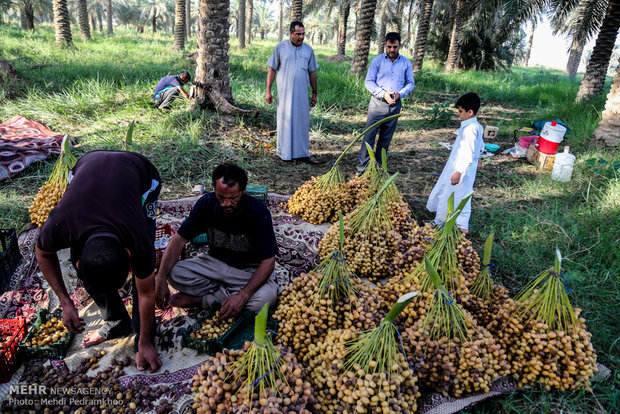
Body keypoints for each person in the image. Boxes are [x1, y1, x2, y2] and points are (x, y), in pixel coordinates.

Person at [35, 150, 162, 372]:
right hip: (87, 165)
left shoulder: (138, 239)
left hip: (141, 172)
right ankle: (116, 321)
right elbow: (43, 253)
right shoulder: (60, 224)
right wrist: (65, 302)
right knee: (89, 261)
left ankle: (143, 333)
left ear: (128, 253)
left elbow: (145, 292)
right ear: (77, 266)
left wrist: (144, 343)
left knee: (146, 262)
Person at [155, 163, 279, 318]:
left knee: (264, 300)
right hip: (214, 265)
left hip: (246, 272)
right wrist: (160, 278)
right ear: (214, 189)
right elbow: (179, 240)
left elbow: (268, 262)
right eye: (220, 197)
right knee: (174, 273)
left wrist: (243, 296)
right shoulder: (206, 203)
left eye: (233, 198)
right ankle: (225, 296)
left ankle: (201, 300)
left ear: (243, 191)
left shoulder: (258, 212)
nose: (226, 203)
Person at [426, 92, 485, 234]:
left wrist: (458, 171)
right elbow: (479, 145)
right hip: (465, 168)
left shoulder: (470, 130)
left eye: (460, 111)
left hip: (460, 169)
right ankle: (457, 224)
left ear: (470, 112)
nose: (459, 114)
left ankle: (445, 223)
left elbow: (469, 152)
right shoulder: (476, 126)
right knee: (460, 195)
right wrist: (478, 158)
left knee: (449, 195)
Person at [357, 32, 415, 172]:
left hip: (395, 106)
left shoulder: (406, 63)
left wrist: (400, 94)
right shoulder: (377, 61)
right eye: (389, 46)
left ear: (400, 45)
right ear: (385, 45)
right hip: (377, 104)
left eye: (395, 47)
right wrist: (384, 94)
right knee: (369, 136)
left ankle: (378, 168)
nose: (391, 50)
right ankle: (363, 168)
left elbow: (410, 83)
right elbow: (369, 82)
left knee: (386, 138)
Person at [266, 21, 320, 165]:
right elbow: (272, 69)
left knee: (302, 122)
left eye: (303, 34)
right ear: (291, 33)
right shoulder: (280, 48)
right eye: (298, 34)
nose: (301, 37)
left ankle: (302, 153)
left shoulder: (308, 50)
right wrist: (268, 91)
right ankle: (285, 154)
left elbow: (312, 72)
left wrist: (314, 93)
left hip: (302, 94)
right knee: (285, 120)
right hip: (284, 95)